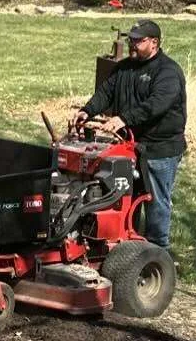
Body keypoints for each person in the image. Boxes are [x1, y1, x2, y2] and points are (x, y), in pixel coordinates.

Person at [70, 19, 186, 249]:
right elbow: (105, 93)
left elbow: (157, 105)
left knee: (155, 201)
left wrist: (124, 118)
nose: (132, 44)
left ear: (154, 43)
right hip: (128, 147)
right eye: (130, 40)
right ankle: (127, 247)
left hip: (159, 149)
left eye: (138, 41)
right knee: (124, 197)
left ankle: (157, 252)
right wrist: (87, 111)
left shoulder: (168, 72)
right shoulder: (124, 68)